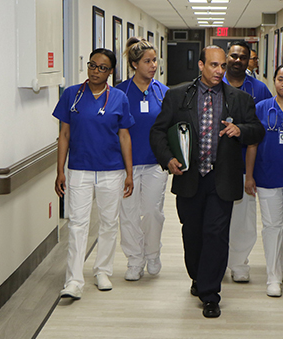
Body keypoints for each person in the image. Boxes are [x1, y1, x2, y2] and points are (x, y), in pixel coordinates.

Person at [149, 46, 265, 318]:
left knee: (216, 234)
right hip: (190, 178)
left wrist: (240, 130)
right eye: (214, 65)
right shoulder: (178, 96)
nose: (219, 71)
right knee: (193, 234)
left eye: (222, 66)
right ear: (200, 65)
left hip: (221, 179)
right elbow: (158, 132)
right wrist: (168, 159)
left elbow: (257, 130)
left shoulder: (239, 99)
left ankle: (211, 294)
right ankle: (198, 276)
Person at [54, 48, 135, 300]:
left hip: (111, 170)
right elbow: (64, 134)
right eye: (92, 65)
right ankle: (74, 280)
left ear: (111, 72)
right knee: (77, 224)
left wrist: (129, 173)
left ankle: (102, 271)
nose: (95, 71)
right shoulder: (71, 95)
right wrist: (60, 170)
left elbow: (124, 136)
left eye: (102, 67)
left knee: (109, 222)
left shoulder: (119, 97)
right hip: (79, 169)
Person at [244, 63, 283, 297]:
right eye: (280, 79)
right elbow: (252, 143)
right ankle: (272, 277)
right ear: (274, 81)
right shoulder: (261, 108)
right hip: (267, 175)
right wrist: (249, 175)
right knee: (272, 226)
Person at [116, 37, 169, 281]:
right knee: (128, 213)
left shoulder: (163, 92)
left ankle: (153, 254)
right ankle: (134, 260)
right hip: (125, 165)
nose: (153, 65)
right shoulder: (120, 93)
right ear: (134, 64)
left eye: (155, 60)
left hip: (155, 163)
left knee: (151, 211)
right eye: (147, 61)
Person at [223, 41, 272, 283]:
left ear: (249, 60)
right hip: (217, 164)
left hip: (247, 163)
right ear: (226, 58)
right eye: (233, 55)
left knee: (244, 218)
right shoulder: (213, 83)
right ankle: (218, 261)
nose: (238, 60)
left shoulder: (260, 89)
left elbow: (264, 129)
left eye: (243, 57)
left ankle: (239, 263)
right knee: (217, 216)